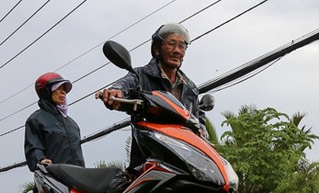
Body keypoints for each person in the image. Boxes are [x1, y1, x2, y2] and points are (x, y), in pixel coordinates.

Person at [97, 22, 206, 171]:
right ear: (157, 49)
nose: (177, 50)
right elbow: (125, 85)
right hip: (148, 165)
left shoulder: (190, 89)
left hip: (185, 166)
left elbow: (199, 121)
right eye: (171, 44)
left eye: (182, 46)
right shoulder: (141, 76)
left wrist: (201, 131)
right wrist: (115, 92)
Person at [24, 72, 85, 171]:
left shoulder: (72, 124)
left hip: (78, 178)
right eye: (58, 88)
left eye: (64, 89)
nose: (63, 92)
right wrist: (40, 160)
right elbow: (33, 147)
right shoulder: (36, 120)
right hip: (54, 179)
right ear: (46, 92)